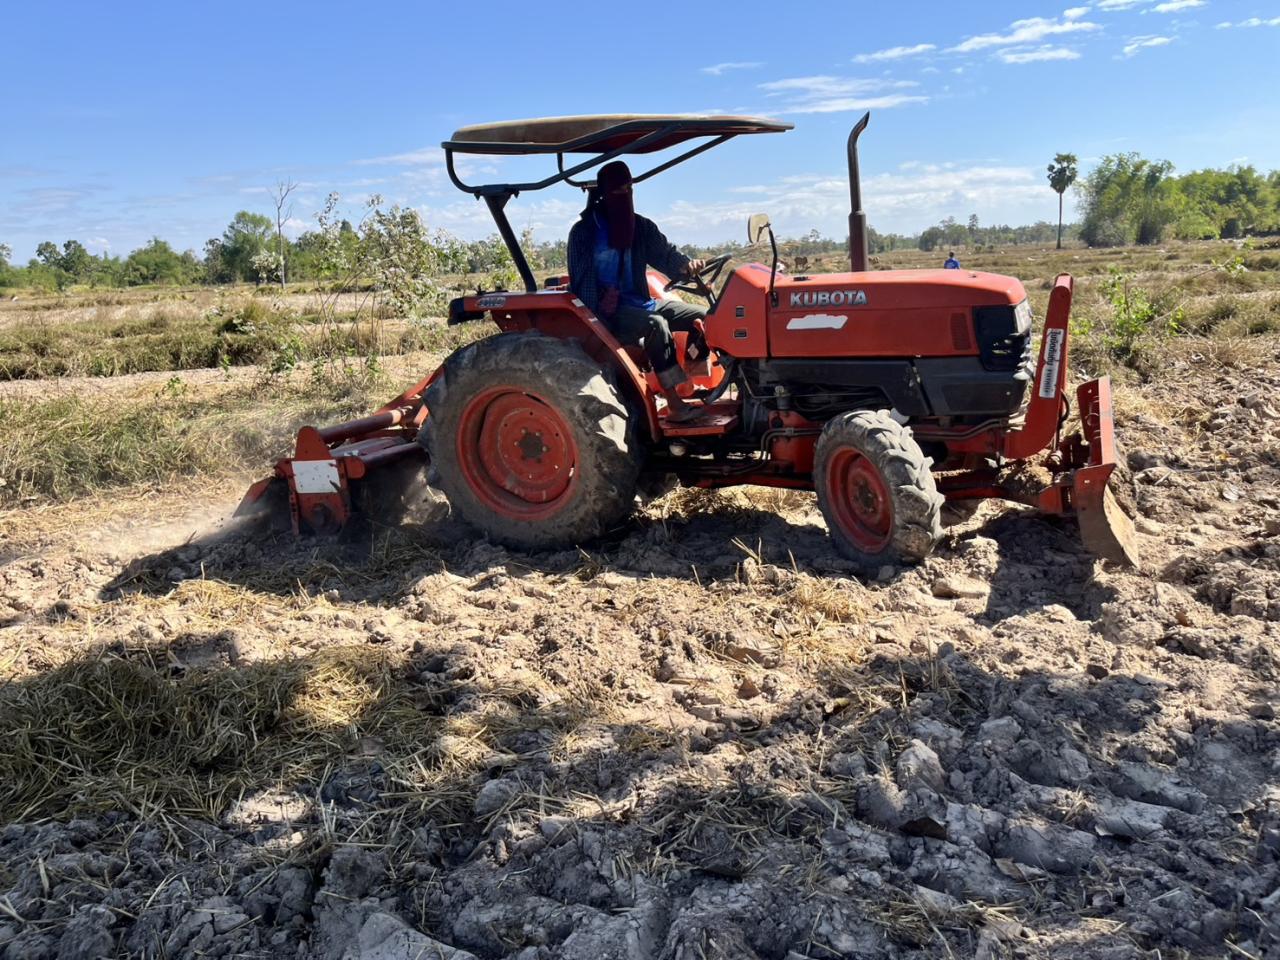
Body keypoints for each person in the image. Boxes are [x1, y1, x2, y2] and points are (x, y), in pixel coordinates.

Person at [568, 160, 707, 422]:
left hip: (642, 303)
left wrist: (687, 265)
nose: (624, 196)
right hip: (607, 312)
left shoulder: (640, 227)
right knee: (656, 325)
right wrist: (599, 316)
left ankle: (705, 383)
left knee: (709, 315)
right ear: (604, 193)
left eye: (628, 189)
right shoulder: (584, 233)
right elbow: (583, 284)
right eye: (617, 191)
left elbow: (666, 255)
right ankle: (675, 404)